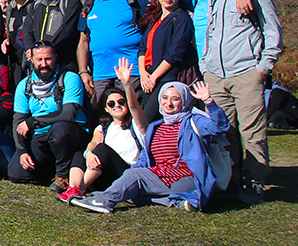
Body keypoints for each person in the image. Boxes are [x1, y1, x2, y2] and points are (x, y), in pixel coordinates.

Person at [71, 80, 230, 214]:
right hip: (160, 175)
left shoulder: (193, 122)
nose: (169, 103)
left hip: (186, 176)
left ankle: (104, 201)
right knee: (130, 188)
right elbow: (146, 157)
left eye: (175, 99)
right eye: (165, 98)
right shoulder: (156, 126)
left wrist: (208, 101)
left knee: (134, 179)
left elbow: (220, 126)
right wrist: (131, 173)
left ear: (184, 100)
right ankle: (177, 201)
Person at [201, 0, 282, 198]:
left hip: (247, 72)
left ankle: (256, 180)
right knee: (225, 132)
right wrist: (205, 65)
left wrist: (262, 68)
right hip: (216, 75)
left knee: (252, 131)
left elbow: (273, 33)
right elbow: (211, 34)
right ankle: (231, 179)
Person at [55, 58, 146, 202]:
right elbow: (92, 143)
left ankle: (79, 191)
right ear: (106, 109)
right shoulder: (103, 128)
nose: (117, 105)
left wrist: (126, 84)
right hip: (103, 176)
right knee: (80, 154)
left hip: (126, 176)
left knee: (103, 149)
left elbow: (135, 107)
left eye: (121, 102)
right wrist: (88, 153)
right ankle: (73, 188)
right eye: (111, 103)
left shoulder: (137, 125)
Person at [7, 42, 86, 189]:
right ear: (32, 60)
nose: (44, 64)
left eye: (48, 59)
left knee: (60, 129)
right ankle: (53, 170)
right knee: (16, 173)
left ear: (55, 57)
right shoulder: (24, 85)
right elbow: (18, 121)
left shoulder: (70, 78)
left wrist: (33, 122)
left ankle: (63, 177)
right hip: (41, 136)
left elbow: (68, 114)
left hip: (71, 133)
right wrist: (22, 150)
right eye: (39, 60)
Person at [76, 0, 145, 112]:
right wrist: (83, 71)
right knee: (103, 114)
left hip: (131, 71)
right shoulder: (89, 6)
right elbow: (83, 42)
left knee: (132, 111)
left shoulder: (133, 1)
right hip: (101, 73)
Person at [137, 0, 194, 121]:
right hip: (148, 77)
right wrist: (143, 74)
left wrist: (154, 77)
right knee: (150, 124)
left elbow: (175, 53)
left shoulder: (181, 18)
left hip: (166, 79)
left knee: (146, 120)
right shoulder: (155, 18)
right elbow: (143, 47)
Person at [24, 0, 83, 71]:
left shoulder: (70, 2)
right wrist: (32, 49)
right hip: (40, 64)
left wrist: (44, 50)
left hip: (64, 63)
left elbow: (67, 31)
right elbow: (27, 30)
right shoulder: (36, 5)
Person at [0, 0, 32, 72]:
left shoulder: (34, 6)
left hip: (30, 58)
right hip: (15, 59)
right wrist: (6, 40)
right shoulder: (11, 9)